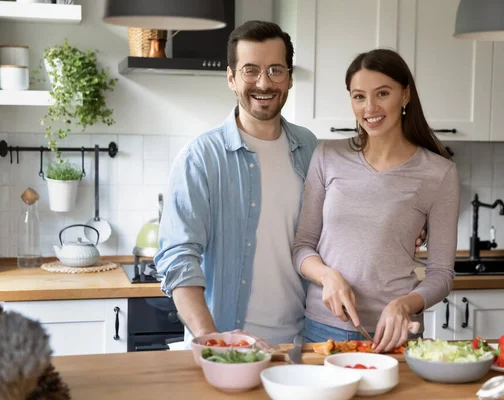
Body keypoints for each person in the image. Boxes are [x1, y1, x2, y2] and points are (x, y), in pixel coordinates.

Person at [155, 21, 426, 347]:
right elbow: (178, 257)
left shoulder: (310, 147)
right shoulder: (201, 157)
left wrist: (403, 225)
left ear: (290, 77)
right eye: (250, 71)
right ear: (231, 78)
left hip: (304, 339)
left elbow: (338, 223)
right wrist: (211, 339)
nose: (264, 82)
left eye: (275, 70)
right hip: (230, 341)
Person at [293, 48, 459, 353]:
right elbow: (302, 245)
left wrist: (404, 305)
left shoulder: (439, 172)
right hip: (321, 328)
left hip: (393, 334)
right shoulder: (327, 155)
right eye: (359, 96)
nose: (370, 107)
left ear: (405, 95)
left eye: (382, 93)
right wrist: (327, 276)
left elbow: (441, 274)